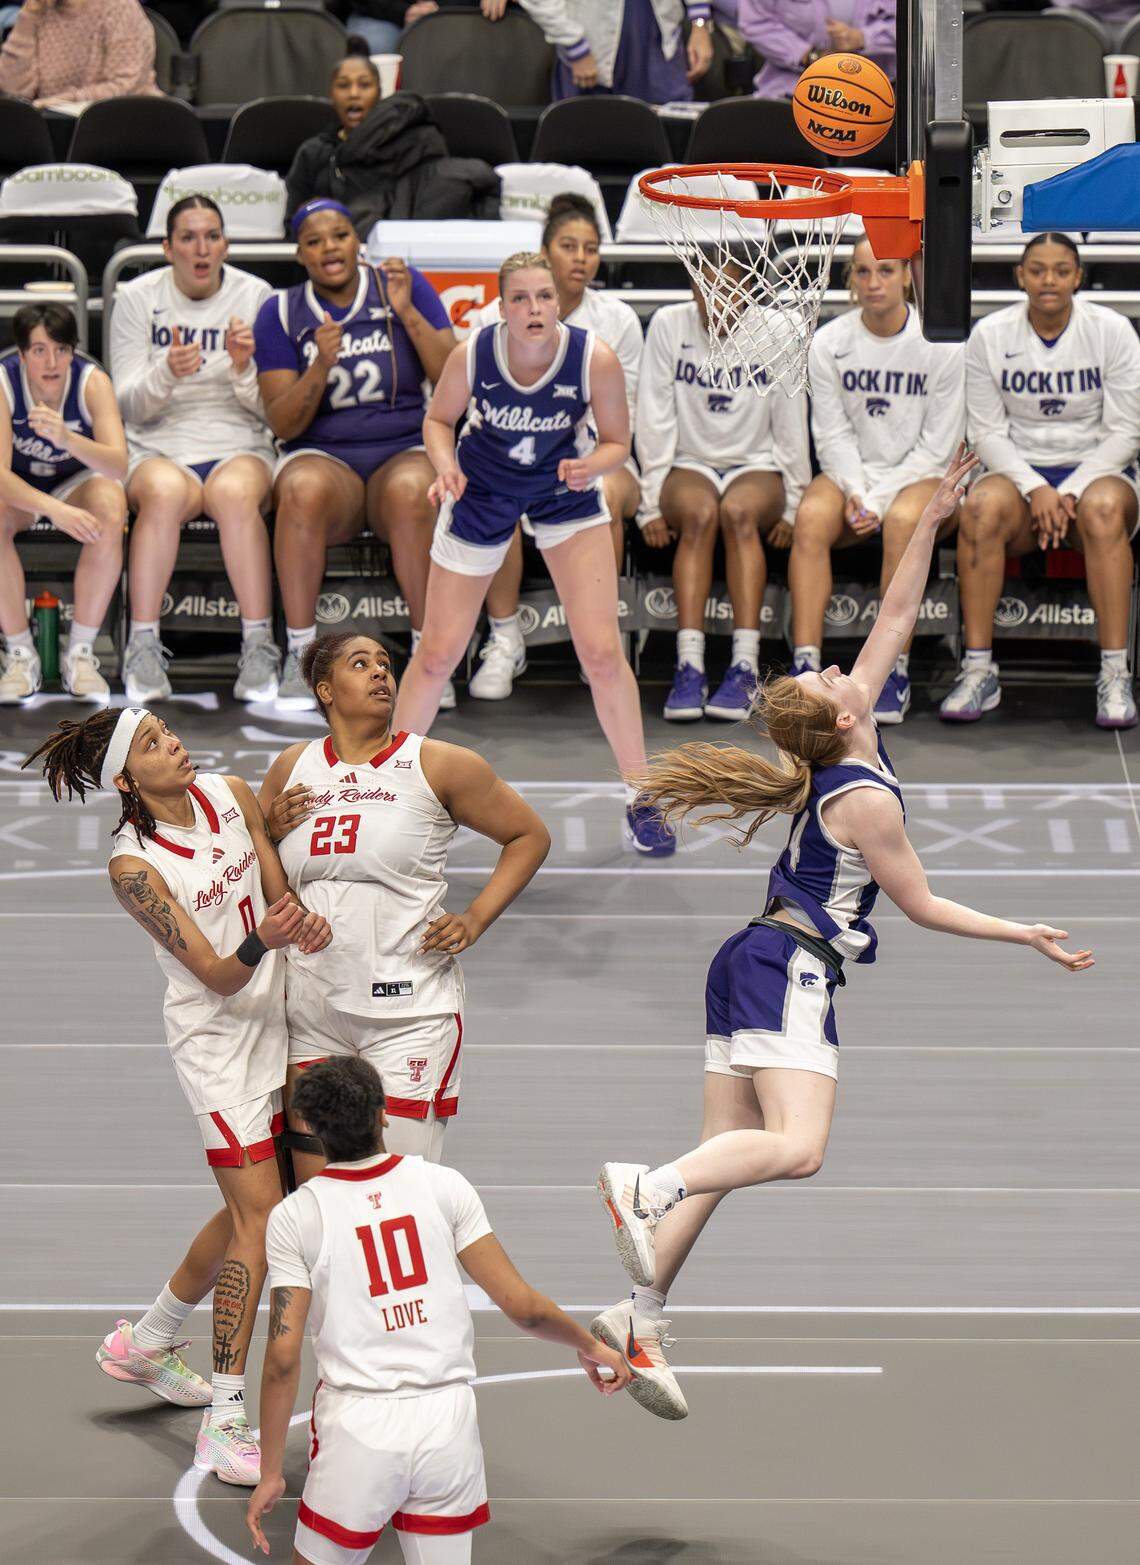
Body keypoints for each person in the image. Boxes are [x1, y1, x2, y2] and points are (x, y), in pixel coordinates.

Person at [587, 448, 1095, 1423]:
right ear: (845, 712)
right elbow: (924, 904)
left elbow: (896, 615)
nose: (827, 664)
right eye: (825, 674)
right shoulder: (864, 798)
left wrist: (934, 520)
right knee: (798, 1147)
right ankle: (645, 1185)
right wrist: (1021, 931)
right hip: (791, 968)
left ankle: (638, 1310)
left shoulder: (847, 733)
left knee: (735, 1151)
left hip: (747, 955)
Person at [22, 707, 333, 1484]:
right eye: (155, 743)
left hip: (282, 1019)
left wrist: (291, 904)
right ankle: (227, 1416)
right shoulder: (135, 870)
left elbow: (272, 879)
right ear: (128, 779)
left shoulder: (229, 791)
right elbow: (221, 972)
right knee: (263, 1217)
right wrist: (273, 932)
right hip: (219, 1045)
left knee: (254, 1204)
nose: (176, 743)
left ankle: (148, 1342)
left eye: (168, 730)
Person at [246, 1055, 630, 1563]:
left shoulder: (296, 1215)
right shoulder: (443, 1185)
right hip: (448, 1424)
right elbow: (523, 1306)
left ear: (310, 1128)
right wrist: (592, 1345)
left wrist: (272, 1470)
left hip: (358, 1425)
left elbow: (282, 1359)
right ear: (383, 1113)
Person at [393, 250, 675, 856]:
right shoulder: (473, 353)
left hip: (562, 488)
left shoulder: (591, 356)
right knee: (438, 652)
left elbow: (619, 442)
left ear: (558, 301)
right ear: (501, 307)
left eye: (544, 296)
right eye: (520, 298)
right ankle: (383, 791)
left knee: (602, 652)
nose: (534, 308)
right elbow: (439, 422)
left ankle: (642, 795)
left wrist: (592, 465)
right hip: (482, 488)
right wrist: (445, 470)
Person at [258, 631, 550, 1172]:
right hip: (311, 1006)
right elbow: (260, 873)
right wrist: (267, 830)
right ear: (325, 689)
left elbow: (528, 836)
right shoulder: (291, 768)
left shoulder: (438, 764)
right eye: (360, 663)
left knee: (398, 1191)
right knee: (320, 1197)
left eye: (386, 664)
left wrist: (476, 918)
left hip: (408, 1009)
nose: (380, 673)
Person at [254, 199, 456, 708]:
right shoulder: (279, 311)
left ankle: (430, 657)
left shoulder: (402, 284)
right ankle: (301, 655)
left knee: (415, 492)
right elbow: (282, 421)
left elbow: (454, 380)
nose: (329, 249)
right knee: (298, 490)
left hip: (401, 447)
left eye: (339, 236)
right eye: (315, 241)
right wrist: (320, 365)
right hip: (325, 456)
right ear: (299, 253)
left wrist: (406, 311)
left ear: (356, 241)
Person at [943, 234, 1140, 730]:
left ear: (1077, 276)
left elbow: (1126, 431)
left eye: (1059, 270)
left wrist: (1068, 490)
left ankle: (1116, 674)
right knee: (980, 508)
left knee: (1102, 511)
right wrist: (1035, 488)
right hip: (1019, 475)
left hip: (1096, 475)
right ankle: (977, 668)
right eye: (1037, 269)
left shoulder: (1112, 331)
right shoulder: (990, 335)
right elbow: (984, 430)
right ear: (1020, 276)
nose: (1048, 280)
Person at [466, 193, 645, 701]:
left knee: (602, 493)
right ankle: (505, 638)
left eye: (591, 248)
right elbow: (470, 409)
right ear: (545, 253)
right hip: (513, 454)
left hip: (595, 455)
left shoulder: (618, 320)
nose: (582, 258)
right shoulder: (487, 321)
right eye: (569, 246)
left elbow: (622, 421)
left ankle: (599, 644)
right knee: (492, 493)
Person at [111, 195, 280, 706]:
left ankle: (258, 644)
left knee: (233, 495)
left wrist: (243, 369)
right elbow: (125, 405)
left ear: (225, 244)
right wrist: (166, 373)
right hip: (159, 442)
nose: (201, 249)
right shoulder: (137, 297)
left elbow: (273, 409)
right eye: (188, 238)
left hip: (239, 440)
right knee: (161, 493)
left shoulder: (257, 296)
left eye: (211, 236)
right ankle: (142, 645)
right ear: (167, 248)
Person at [789, 236, 966, 723]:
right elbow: (830, 432)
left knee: (905, 521)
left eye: (885, 271)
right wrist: (855, 492)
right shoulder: (829, 343)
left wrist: (879, 499)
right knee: (810, 517)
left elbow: (938, 445)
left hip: (919, 475)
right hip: (852, 476)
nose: (873, 283)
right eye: (862, 272)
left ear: (908, 276)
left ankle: (889, 673)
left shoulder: (941, 345)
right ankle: (805, 671)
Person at [636, 256, 809, 723]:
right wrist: (650, 501)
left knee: (736, 512)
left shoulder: (779, 329)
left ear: (746, 288)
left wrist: (794, 504)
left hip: (756, 463)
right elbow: (653, 416)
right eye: (703, 288)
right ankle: (689, 665)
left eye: (725, 289)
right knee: (699, 515)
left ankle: (744, 666)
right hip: (690, 462)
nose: (714, 300)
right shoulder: (669, 326)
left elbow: (791, 423)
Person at [0, 303, 127, 703]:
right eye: (39, 351)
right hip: (21, 485)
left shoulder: (92, 382)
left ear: (73, 352)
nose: (51, 362)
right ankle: (20, 654)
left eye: (61, 349)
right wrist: (56, 511)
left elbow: (118, 464)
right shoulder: (3, 381)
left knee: (110, 506)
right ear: (21, 355)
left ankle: (81, 654)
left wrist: (67, 439)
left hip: (76, 481)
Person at [512, 0, 714, 101]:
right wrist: (574, 44)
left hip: (658, 47)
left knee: (669, 165)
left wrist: (700, 23)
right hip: (587, 50)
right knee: (586, 161)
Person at [0, 0, 160, 107]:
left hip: (123, 121)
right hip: (54, 125)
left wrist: (64, 101)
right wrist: (28, 15)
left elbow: (125, 86)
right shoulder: (39, 11)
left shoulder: (120, 8)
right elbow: (13, 89)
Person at [737, 0, 895, 99]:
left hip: (877, 92)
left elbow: (914, 25)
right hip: (792, 91)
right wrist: (810, 56)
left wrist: (862, 38)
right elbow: (756, 23)